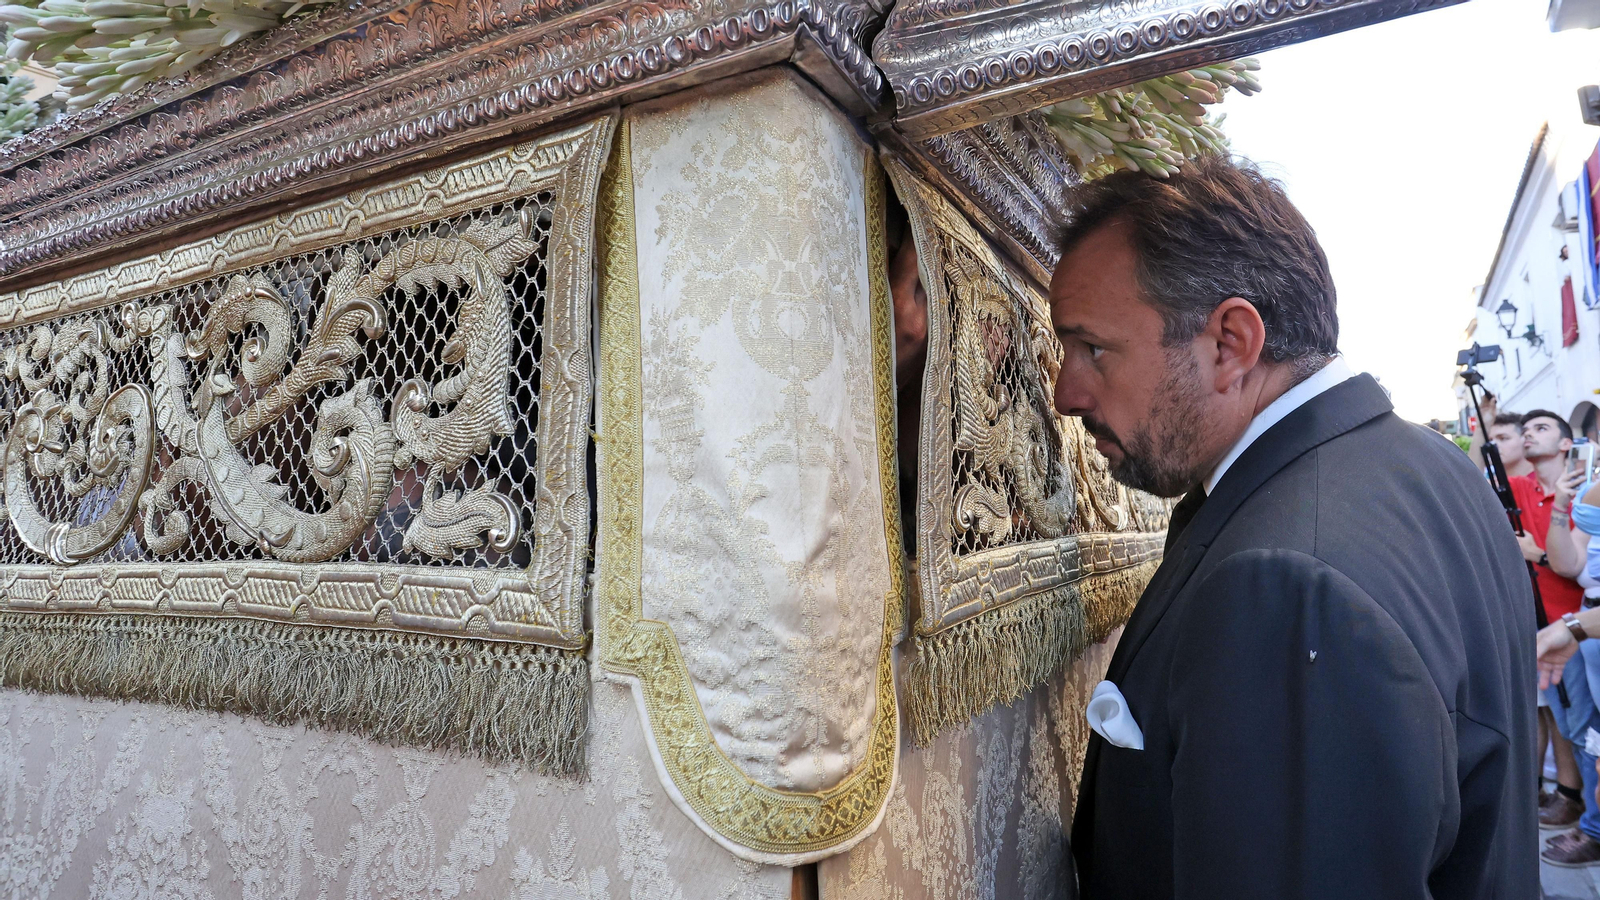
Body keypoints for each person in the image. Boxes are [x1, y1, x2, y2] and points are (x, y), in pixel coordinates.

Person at [1047, 155, 1535, 897]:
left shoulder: (1283, 586)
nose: (1065, 391)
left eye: (1093, 349)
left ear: (1231, 343)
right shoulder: (1433, 468)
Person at [1516, 413, 1600, 864]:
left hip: (1576, 623)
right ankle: (1590, 822)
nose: (1529, 436)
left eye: (1541, 429)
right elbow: (1577, 566)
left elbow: (1564, 568)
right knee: (1583, 729)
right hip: (1581, 624)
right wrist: (1567, 510)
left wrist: (1540, 553)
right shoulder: (1588, 492)